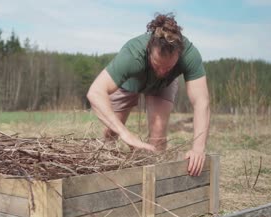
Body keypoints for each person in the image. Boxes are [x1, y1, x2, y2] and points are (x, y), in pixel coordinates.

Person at [86, 13, 210, 177]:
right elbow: (95, 92)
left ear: (179, 55)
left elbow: (201, 102)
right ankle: (106, 176)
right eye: (158, 65)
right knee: (111, 132)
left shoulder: (190, 55)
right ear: (149, 51)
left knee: (158, 134)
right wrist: (126, 134)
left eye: (168, 67)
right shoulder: (133, 54)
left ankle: (154, 182)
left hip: (163, 85)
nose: (161, 71)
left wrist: (198, 148)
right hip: (131, 80)